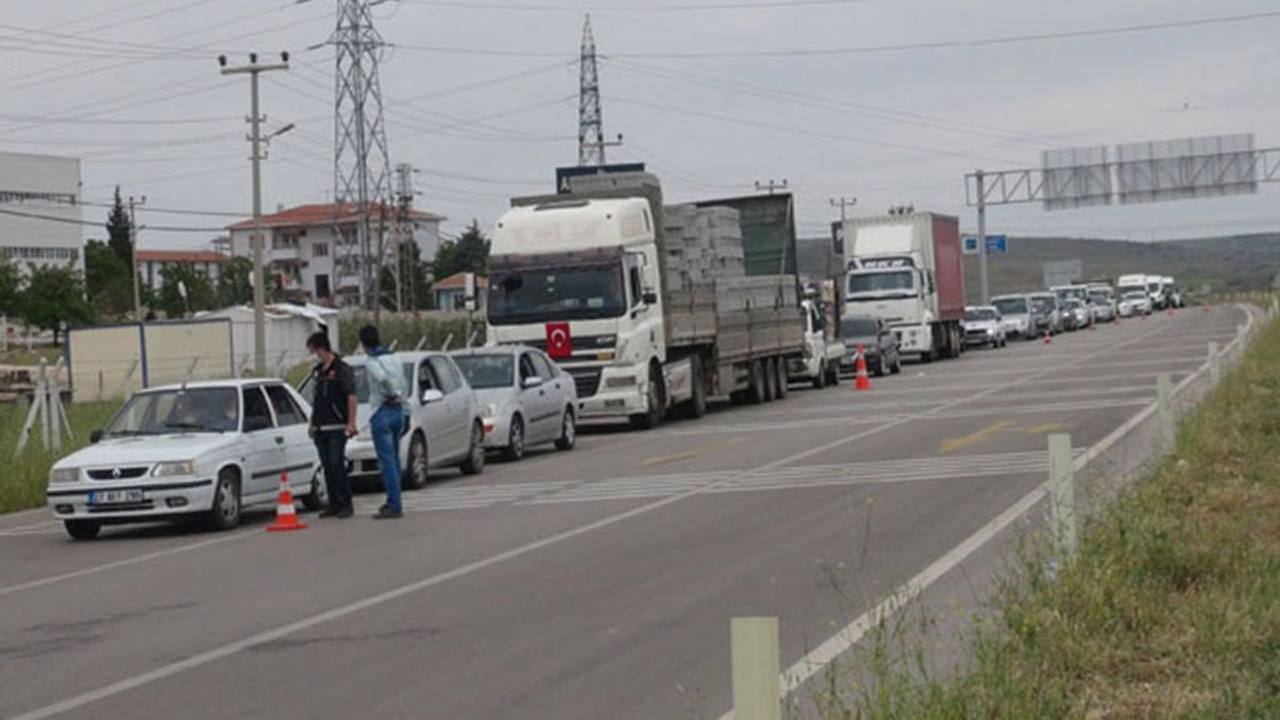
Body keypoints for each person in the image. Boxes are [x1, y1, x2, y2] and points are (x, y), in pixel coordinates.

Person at [306, 331, 358, 519]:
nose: (315, 355)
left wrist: (351, 423)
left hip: (337, 426)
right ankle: (334, 503)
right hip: (321, 426)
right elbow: (317, 399)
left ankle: (346, 502)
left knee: (337, 464)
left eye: (315, 351)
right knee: (327, 465)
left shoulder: (341, 369)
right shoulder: (319, 371)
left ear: (322, 348)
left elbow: (351, 396)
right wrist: (312, 423)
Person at [360, 324, 407, 520]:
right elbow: (403, 382)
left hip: (382, 409)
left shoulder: (372, 361)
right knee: (394, 459)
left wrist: (391, 394)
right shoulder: (395, 358)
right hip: (399, 411)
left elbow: (382, 379)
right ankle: (395, 500)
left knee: (386, 461)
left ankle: (394, 504)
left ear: (363, 343)